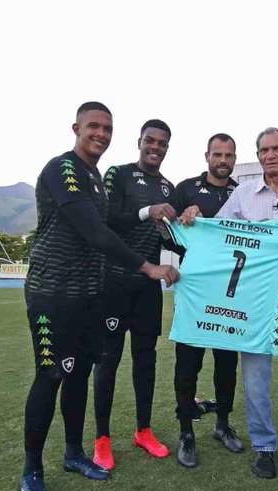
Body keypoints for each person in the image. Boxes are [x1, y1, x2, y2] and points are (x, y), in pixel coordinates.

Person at [20, 103, 179, 491]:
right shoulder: (64, 169)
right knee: (52, 373)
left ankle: (74, 453)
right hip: (51, 293)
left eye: (107, 128)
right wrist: (146, 266)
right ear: (77, 127)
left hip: (91, 294)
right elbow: (96, 231)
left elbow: (120, 224)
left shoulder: (95, 179)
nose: (101, 134)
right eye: (94, 126)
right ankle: (32, 471)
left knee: (78, 375)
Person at [182, 127, 278, 479]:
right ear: (258, 155)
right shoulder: (244, 194)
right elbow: (216, 233)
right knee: (256, 378)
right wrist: (192, 216)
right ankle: (264, 447)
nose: (271, 155)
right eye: (264, 150)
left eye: (277, 149)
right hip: (254, 304)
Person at [92, 119, 180, 471]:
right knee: (107, 361)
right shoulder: (118, 174)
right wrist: (148, 211)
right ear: (140, 142)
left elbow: (167, 237)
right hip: (113, 283)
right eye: (150, 141)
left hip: (148, 288)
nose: (155, 147)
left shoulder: (169, 187)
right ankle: (102, 439)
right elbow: (106, 218)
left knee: (146, 360)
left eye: (162, 143)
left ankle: (143, 431)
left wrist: (183, 229)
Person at [170, 133, 244, 468]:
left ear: (234, 158)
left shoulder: (241, 192)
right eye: (218, 154)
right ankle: (186, 432)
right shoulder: (186, 189)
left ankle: (223, 425)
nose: (223, 160)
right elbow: (166, 233)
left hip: (230, 294)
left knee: (227, 365)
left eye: (229, 155)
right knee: (188, 364)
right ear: (207, 156)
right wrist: (186, 220)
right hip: (195, 292)